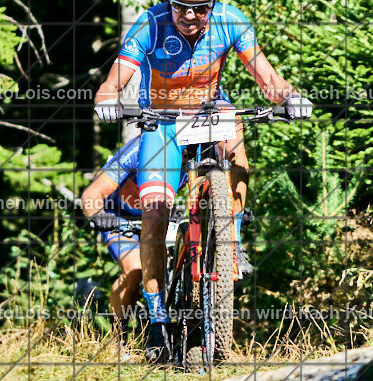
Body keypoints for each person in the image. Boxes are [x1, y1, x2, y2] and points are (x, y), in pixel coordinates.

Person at [92, 0, 313, 363]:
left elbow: (267, 78)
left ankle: (231, 240)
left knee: (236, 135)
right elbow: (113, 81)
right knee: (155, 214)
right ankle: (158, 320)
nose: (190, 16)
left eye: (200, 7)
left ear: (214, 2)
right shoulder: (151, 24)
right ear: (168, 0)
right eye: (181, 7)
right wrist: (107, 99)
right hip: (162, 122)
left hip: (211, 110)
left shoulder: (231, 20)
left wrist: (290, 97)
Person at [80, 133, 251, 357]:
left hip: (160, 215)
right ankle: (119, 338)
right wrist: (98, 215)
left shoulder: (197, 154)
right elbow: (91, 194)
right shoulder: (139, 150)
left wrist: (226, 210)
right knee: (135, 269)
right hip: (120, 218)